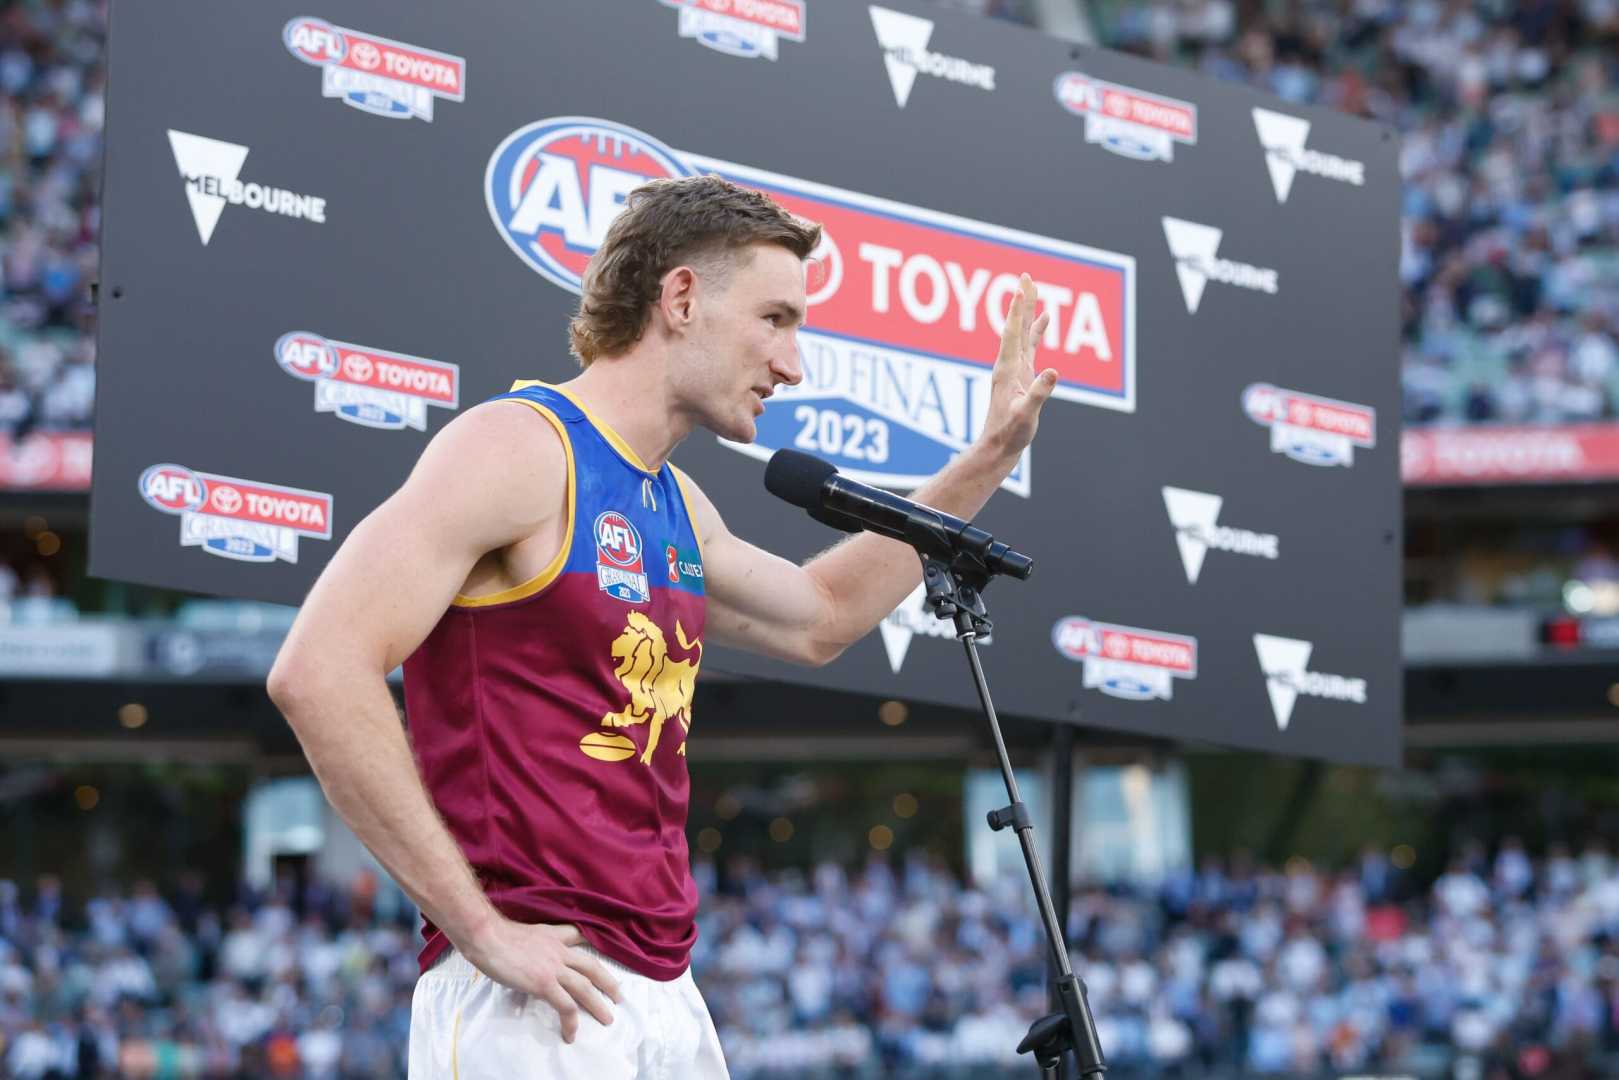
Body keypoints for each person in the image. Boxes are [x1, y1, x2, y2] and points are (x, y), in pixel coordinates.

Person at [266, 173, 1059, 1078]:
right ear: (680, 298)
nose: (793, 365)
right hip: (536, 997)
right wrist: (476, 926)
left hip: (663, 987)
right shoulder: (519, 447)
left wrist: (985, 460)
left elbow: (822, 617)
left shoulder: (674, 500)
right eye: (775, 320)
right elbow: (318, 670)